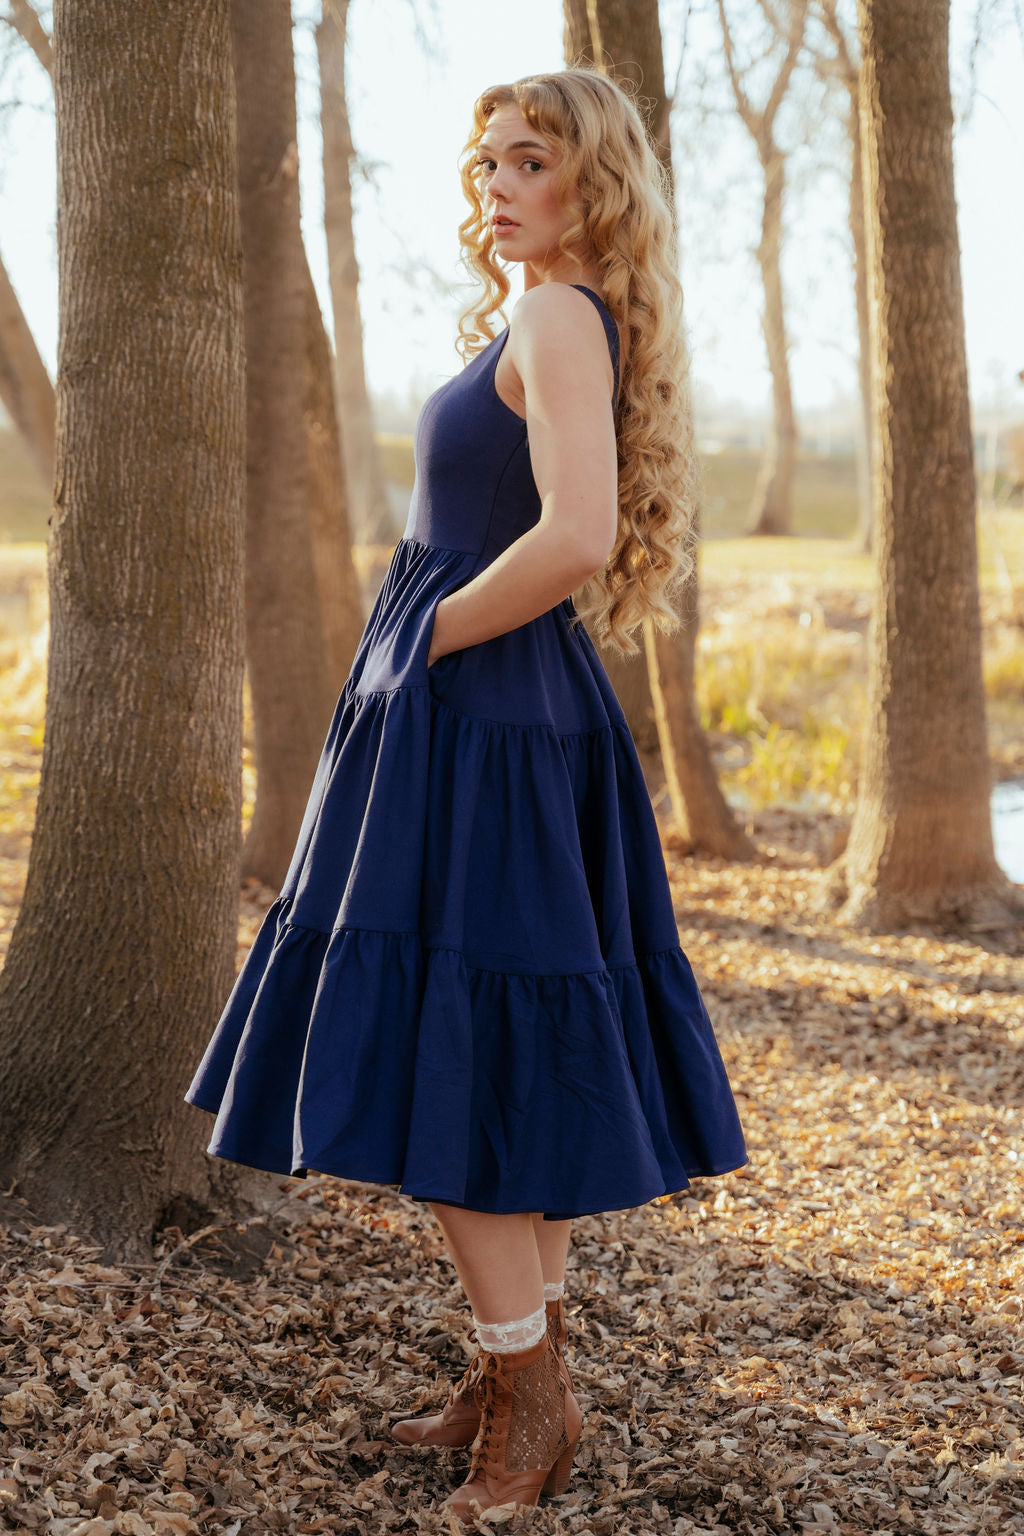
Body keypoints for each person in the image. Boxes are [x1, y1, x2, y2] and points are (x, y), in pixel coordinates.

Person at [185, 66, 747, 1521]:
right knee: (493, 1059)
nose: (498, 183)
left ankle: (532, 1403)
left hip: (478, 709)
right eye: (489, 158)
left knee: (460, 1060)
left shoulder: (557, 316)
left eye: (531, 160)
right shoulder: (546, 311)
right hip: (490, 709)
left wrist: (423, 639)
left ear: (592, 183)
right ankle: (518, 1382)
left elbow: (576, 535)